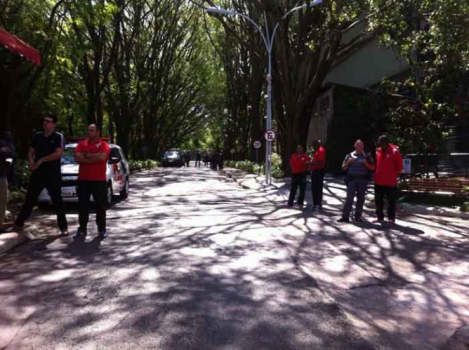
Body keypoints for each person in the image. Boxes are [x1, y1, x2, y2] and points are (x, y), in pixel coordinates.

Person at [11, 115, 69, 235]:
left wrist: (42, 160)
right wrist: (31, 161)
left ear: (54, 124)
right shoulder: (37, 136)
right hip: (38, 173)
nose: (45, 123)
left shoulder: (58, 137)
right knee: (30, 199)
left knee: (57, 201)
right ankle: (18, 224)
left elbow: (58, 154)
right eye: (44, 121)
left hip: (52, 173)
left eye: (48, 121)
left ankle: (63, 227)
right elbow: (31, 151)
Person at [73, 124, 111, 239]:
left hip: (99, 180)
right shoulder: (82, 144)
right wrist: (93, 157)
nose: (89, 132)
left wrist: (85, 157)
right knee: (82, 206)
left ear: (98, 132)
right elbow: (76, 157)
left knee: (100, 206)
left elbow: (102, 157)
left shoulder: (104, 145)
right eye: (88, 130)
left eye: (92, 130)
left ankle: (101, 229)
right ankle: (82, 229)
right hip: (83, 180)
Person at [338, 140, 375, 223]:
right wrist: (348, 162)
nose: (360, 147)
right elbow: (343, 168)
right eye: (358, 146)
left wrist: (366, 163)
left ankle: (358, 217)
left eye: (361, 146)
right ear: (355, 146)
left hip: (362, 180)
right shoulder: (350, 155)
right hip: (352, 180)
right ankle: (345, 217)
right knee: (349, 199)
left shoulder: (367, 156)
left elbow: (373, 168)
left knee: (361, 199)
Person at [374, 135, 403, 224]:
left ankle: (391, 218)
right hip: (378, 181)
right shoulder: (378, 151)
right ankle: (380, 217)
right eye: (379, 142)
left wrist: (392, 174)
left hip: (390, 182)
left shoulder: (394, 152)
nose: (380, 144)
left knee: (391, 201)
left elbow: (400, 167)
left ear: (386, 142)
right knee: (378, 201)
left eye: (382, 142)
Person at [310, 140, 326, 212]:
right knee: (314, 188)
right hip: (315, 171)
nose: (312, 147)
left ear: (317, 144)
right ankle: (315, 203)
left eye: (313, 145)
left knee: (318, 188)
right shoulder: (317, 150)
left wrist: (312, 162)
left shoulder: (321, 150)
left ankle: (318, 204)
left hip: (318, 171)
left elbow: (320, 162)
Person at [0, 136, 12, 233]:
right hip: (2, 177)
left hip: (2, 177)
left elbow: (9, 162)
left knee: (2, 201)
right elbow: (9, 162)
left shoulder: (4, 148)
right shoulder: (5, 149)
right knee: (2, 201)